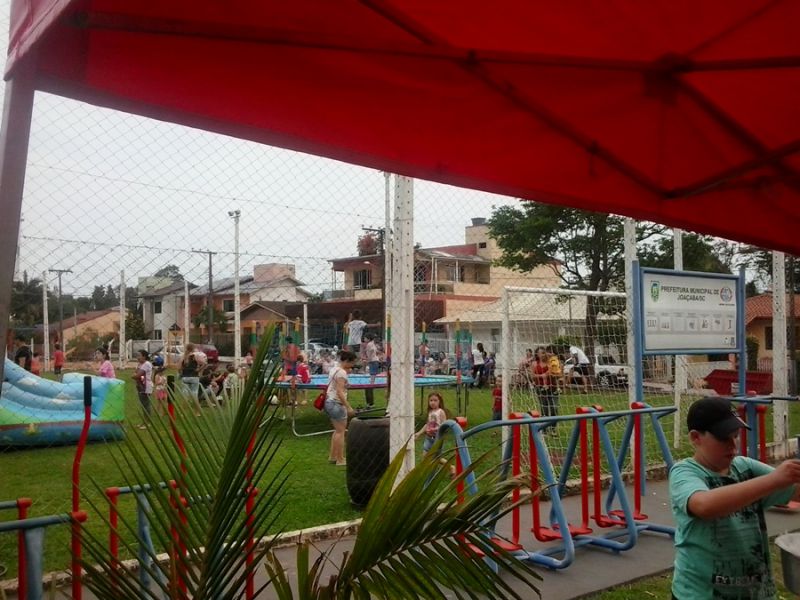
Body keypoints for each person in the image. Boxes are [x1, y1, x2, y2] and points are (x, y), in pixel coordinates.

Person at [670, 397, 800, 600]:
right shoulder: (685, 473)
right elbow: (704, 505)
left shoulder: (745, 467)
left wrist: (788, 477)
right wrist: (774, 479)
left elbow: (794, 489)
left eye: (736, 436)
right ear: (696, 437)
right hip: (701, 595)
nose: (733, 445)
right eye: (724, 438)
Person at [324, 350, 356, 467]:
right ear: (347, 361)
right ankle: (340, 459)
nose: (352, 365)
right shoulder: (342, 373)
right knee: (341, 432)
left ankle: (333, 457)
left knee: (337, 431)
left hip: (329, 402)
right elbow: (339, 392)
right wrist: (348, 407)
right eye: (352, 363)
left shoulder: (334, 369)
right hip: (336, 403)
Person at [532, 347, 557, 433]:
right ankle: (544, 429)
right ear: (537, 354)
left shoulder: (551, 362)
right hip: (540, 388)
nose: (542, 355)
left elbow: (555, 372)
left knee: (554, 408)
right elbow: (532, 376)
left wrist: (551, 374)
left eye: (543, 352)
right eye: (540, 353)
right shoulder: (535, 364)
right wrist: (541, 376)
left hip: (552, 387)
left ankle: (553, 428)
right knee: (544, 408)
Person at [179, 343, 203, 415]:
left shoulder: (183, 357)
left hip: (185, 378)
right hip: (194, 377)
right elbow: (203, 363)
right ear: (193, 348)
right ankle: (197, 412)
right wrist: (199, 369)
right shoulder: (195, 356)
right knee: (195, 396)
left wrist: (182, 373)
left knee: (185, 396)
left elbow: (179, 368)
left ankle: (182, 413)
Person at [133, 350, 153, 428]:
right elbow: (136, 373)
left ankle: (147, 423)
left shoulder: (146, 364)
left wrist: (135, 375)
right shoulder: (140, 364)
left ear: (144, 356)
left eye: (139, 355)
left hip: (145, 386)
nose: (137, 357)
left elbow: (137, 375)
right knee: (143, 405)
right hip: (140, 386)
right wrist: (135, 375)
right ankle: (144, 422)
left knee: (146, 405)